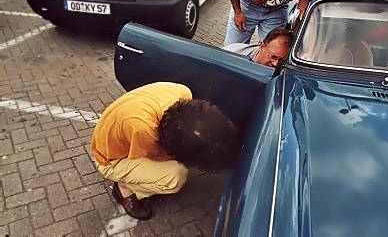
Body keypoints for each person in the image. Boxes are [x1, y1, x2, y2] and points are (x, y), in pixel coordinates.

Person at [91, 82, 238, 220]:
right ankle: (125, 189)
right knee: (175, 176)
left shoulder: (183, 92)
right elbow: (157, 155)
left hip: (119, 131)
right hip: (109, 159)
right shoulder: (143, 130)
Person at [224, 26, 294, 68]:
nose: (275, 64)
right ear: (262, 46)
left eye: (282, 60)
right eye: (273, 57)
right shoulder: (231, 53)